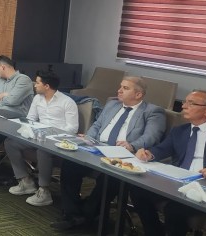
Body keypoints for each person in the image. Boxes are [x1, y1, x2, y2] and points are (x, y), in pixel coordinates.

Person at [52, 76, 166, 230]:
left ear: (138, 94)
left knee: (110, 178)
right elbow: (97, 125)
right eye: (120, 86)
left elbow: (151, 136)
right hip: (98, 148)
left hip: (122, 156)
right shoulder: (112, 104)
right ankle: (72, 214)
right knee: (70, 164)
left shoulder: (152, 111)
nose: (119, 90)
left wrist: (132, 145)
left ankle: (86, 215)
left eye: (125, 88)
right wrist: (89, 138)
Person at [129, 90, 206, 236]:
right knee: (137, 189)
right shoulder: (180, 131)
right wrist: (149, 154)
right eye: (185, 102)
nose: (184, 106)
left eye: (191, 103)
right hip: (178, 181)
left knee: (174, 210)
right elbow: (162, 149)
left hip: (205, 186)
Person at [5, 70, 78, 207]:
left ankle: (44, 191)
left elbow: (73, 128)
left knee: (43, 151)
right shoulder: (37, 98)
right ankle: (25, 181)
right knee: (10, 143)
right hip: (38, 136)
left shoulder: (67, 102)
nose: (35, 85)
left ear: (47, 86)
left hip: (57, 140)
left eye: (37, 83)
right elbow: (31, 118)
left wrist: (52, 133)